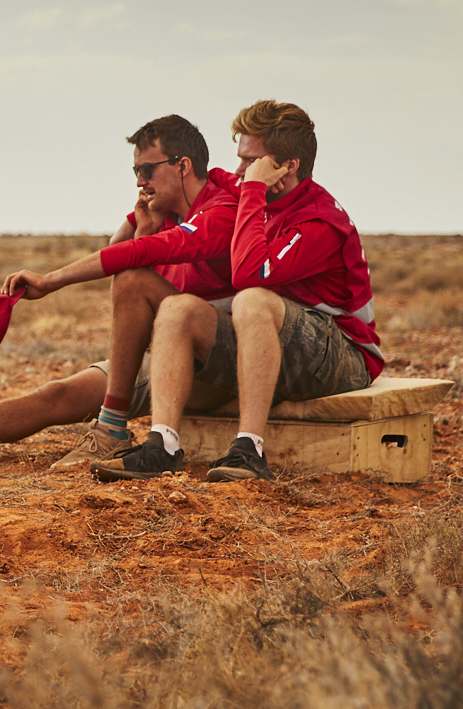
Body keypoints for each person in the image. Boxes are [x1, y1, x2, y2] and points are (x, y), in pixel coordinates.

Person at [0, 113, 240, 465]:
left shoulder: (219, 210)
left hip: (217, 361)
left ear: (182, 165)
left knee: (132, 279)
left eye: (146, 170)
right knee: (57, 395)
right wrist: (143, 224)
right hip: (173, 357)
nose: (139, 181)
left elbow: (129, 264)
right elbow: (118, 250)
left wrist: (51, 280)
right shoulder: (166, 213)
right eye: (135, 170)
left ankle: (111, 430)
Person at [93, 100, 381, 484]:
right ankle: (161, 446)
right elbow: (196, 193)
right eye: (240, 159)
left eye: (251, 162)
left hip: (343, 357)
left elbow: (249, 274)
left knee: (253, 298)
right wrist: (143, 218)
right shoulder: (254, 194)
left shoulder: (318, 219)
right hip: (278, 347)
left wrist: (252, 192)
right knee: (179, 309)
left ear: (288, 166)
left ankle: (249, 450)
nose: (240, 171)